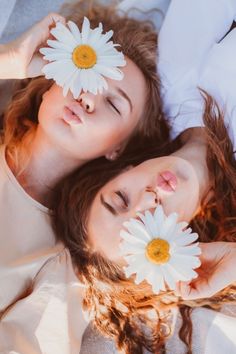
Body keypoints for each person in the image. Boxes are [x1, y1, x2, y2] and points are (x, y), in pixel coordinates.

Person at [51, 0, 236, 352]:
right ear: (173, 252)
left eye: (121, 199)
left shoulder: (174, 86)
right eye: (148, 231)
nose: (149, 199)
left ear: (123, 170)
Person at [0, 1, 169, 352]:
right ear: (50, 82)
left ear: (119, 149)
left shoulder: (59, 260)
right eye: (85, 70)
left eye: (114, 103)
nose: (89, 97)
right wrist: (8, 59)